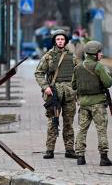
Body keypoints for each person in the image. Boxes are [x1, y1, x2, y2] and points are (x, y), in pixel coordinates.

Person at [34, 29, 77, 159]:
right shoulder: (48, 56)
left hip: (69, 94)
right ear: (54, 41)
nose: (60, 41)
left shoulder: (72, 57)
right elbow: (39, 73)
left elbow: (78, 74)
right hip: (54, 94)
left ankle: (69, 149)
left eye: (62, 39)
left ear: (66, 41)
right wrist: (45, 87)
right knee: (53, 122)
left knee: (69, 123)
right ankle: (50, 149)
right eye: (58, 39)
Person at [72, 40, 112, 166]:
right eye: (99, 52)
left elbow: (73, 85)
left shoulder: (78, 67)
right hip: (98, 104)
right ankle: (104, 157)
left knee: (81, 130)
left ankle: (80, 156)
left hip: (83, 104)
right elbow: (108, 83)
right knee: (101, 130)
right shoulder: (99, 67)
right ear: (94, 53)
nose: (101, 54)